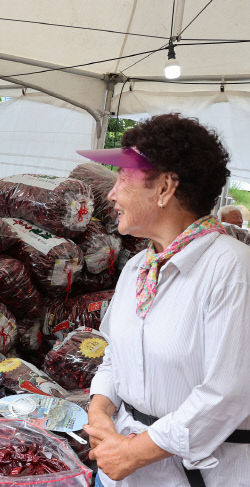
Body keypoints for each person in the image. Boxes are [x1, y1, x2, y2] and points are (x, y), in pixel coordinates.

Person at [76, 114, 250, 487]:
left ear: (165, 188)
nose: (111, 193)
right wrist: (100, 409)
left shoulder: (231, 267)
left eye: (123, 177)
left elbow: (229, 392)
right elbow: (113, 356)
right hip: (125, 469)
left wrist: (134, 452)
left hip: (198, 474)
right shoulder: (140, 267)